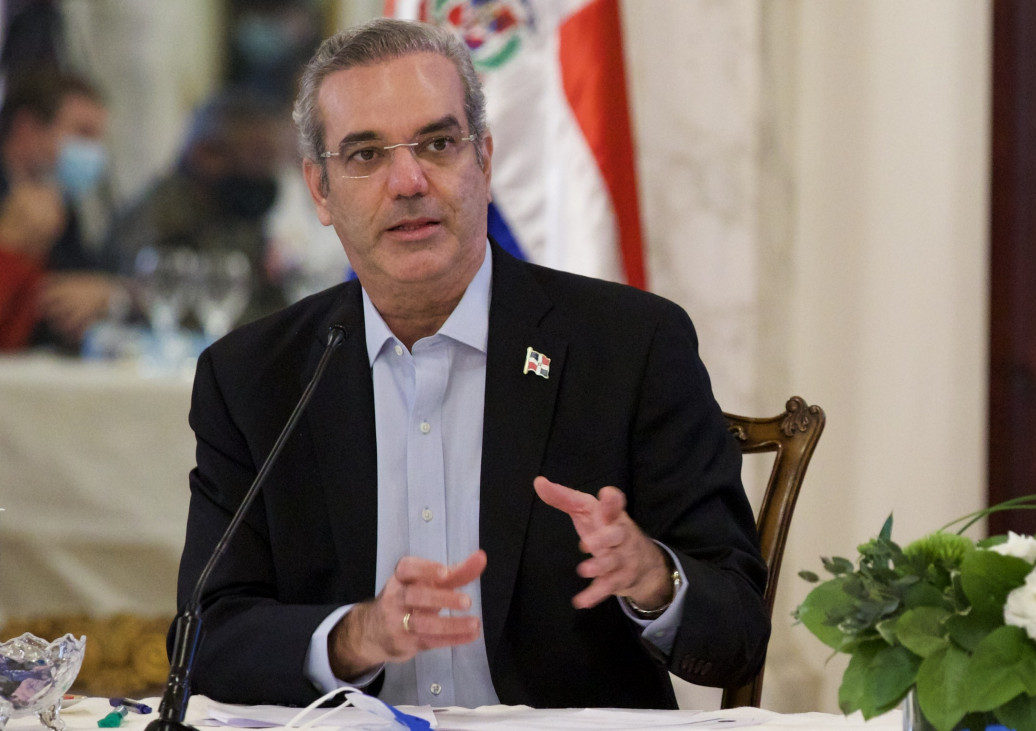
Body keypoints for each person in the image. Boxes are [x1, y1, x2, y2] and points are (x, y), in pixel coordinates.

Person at [173, 18, 768, 709]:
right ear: (321, 190)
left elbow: (738, 631)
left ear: (484, 160)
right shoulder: (253, 378)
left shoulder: (630, 348)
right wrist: (351, 637)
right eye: (366, 154)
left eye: (438, 143)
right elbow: (206, 638)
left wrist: (653, 578)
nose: (408, 181)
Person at [109, 88, 289, 327]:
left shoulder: (236, 214)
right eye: (258, 157)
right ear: (206, 154)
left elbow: (276, 305)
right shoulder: (159, 219)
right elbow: (161, 313)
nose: (267, 173)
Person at [0, 69, 123, 351]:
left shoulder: (59, 204)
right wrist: (8, 249)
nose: (94, 151)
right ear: (27, 129)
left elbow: (84, 281)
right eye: (83, 133)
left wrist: (106, 295)